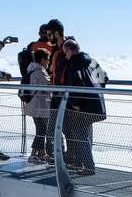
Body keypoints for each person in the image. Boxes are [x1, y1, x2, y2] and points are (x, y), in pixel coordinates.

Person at [60, 38, 106, 176]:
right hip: (95, 103)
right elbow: (104, 78)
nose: (65, 56)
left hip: (82, 106)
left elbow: (76, 84)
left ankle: (88, 166)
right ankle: (82, 164)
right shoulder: (91, 60)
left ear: (69, 50)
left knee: (79, 135)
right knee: (85, 135)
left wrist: (76, 103)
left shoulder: (75, 63)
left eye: (65, 52)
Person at [44, 19, 68, 164]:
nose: (48, 37)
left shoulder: (67, 49)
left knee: (64, 128)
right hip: (56, 94)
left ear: (57, 33)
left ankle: (64, 156)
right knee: (54, 127)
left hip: (63, 95)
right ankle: (58, 155)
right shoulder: (56, 50)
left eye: (50, 34)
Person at [23, 49, 51, 164]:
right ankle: (33, 154)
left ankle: (42, 153)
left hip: (33, 105)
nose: (48, 62)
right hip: (40, 106)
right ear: (42, 59)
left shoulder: (31, 69)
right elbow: (49, 86)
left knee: (40, 128)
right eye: (47, 59)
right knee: (42, 130)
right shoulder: (40, 72)